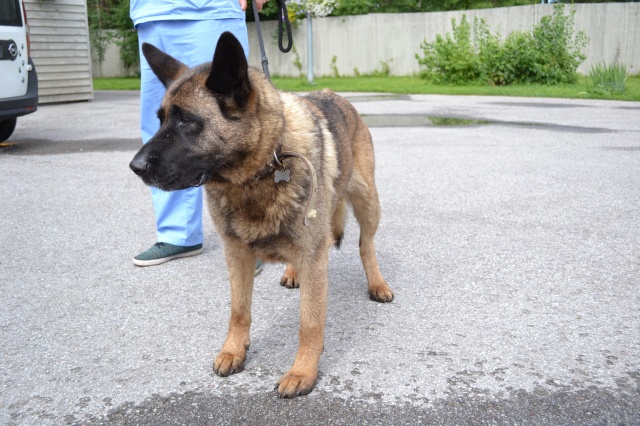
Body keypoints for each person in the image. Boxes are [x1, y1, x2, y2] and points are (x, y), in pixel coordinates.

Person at [130, 0, 268, 270]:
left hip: (209, 9)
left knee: (229, 121)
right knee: (165, 122)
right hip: (151, 12)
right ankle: (178, 234)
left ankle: (255, 238)